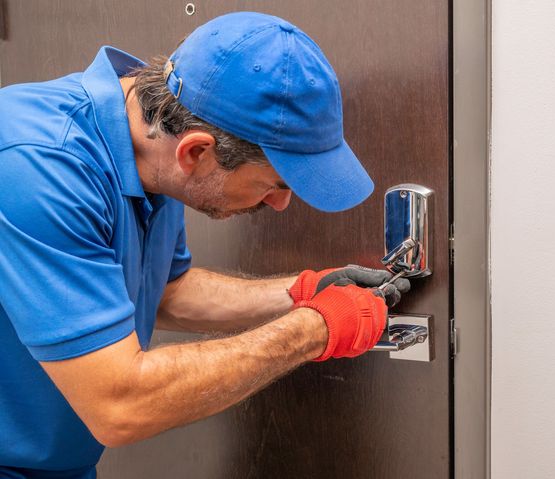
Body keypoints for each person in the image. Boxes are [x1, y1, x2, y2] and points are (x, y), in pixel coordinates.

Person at [0, 12, 410, 479]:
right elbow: (120, 403)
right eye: (274, 184)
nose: (280, 204)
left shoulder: (154, 152)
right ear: (195, 151)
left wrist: (302, 292)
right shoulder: (37, 167)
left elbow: (167, 292)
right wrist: (313, 330)